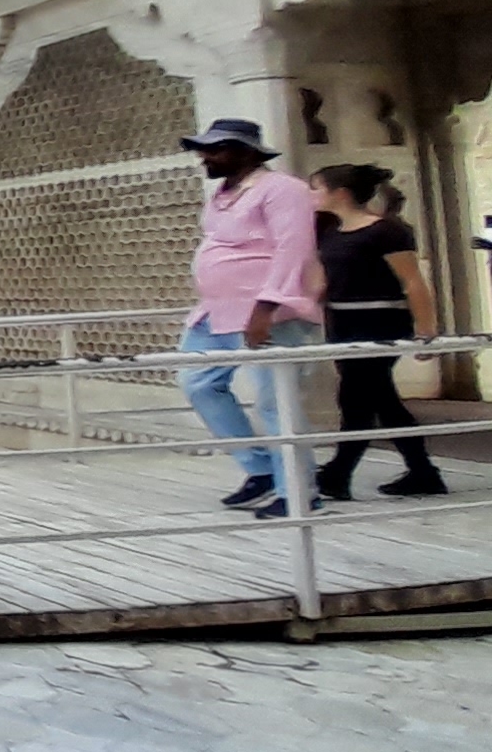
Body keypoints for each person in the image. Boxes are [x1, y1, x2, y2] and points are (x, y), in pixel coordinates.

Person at [177, 119, 323, 520]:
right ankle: (260, 469)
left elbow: (293, 248)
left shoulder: (283, 190)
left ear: (246, 152)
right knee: (198, 383)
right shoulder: (222, 194)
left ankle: (299, 491)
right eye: (203, 149)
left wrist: (265, 308)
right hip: (215, 312)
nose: (204, 157)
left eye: (214, 149)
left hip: (267, 313)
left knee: (277, 401)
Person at [310, 164, 445, 498]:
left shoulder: (386, 231)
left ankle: (338, 473)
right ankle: (422, 471)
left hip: (380, 320)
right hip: (342, 322)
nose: (311, 196)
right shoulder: (329, 230)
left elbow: (412, 280)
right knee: (381, 400)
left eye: (317, 189)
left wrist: (425, 330)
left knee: (356, 398)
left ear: (339, 193)